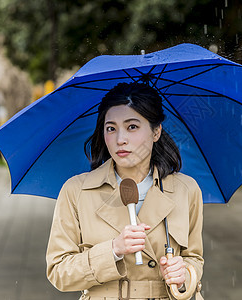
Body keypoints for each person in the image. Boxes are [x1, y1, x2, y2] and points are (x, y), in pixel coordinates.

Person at [46, 82, 204, 300]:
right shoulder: (76, 191)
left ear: (156, 131)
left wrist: (184, 273)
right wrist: (113, 250)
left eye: (132, 127)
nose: (120, 139)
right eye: (111, 128)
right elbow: (58, 272)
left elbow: (194, 257)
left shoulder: (186, 190)